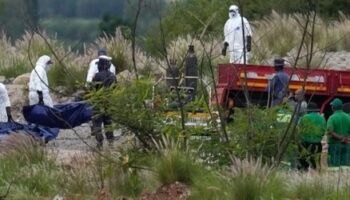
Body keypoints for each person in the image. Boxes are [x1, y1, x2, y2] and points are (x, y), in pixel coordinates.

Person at [91, 55, 117, 146]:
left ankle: (99, 140)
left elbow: (92, 88)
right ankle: (110, 141)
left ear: (101, 64)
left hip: (98, 102)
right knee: (108, 122)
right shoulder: (113, 76)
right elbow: (115, 88)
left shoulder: (97, 76)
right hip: (109, 102)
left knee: (97, 122)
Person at [297, 102, 326, 171]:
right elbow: (323, 131)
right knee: (315, 164)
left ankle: (302, 177)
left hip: (304, 143)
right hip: (317, 144)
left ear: (308, 110)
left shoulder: (304, 117)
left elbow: (299, 129)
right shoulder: (322, 118)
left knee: (303, 164)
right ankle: (315, 178)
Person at [327, 98, 350, 166]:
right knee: (345, 165)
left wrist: (340, 138)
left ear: (333, 107)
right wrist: (346, 138)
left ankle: (334, 176)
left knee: (334, 164)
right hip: (346, 145)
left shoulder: (332, 118)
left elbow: (330, 132)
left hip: (334, 145)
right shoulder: (348, 117)